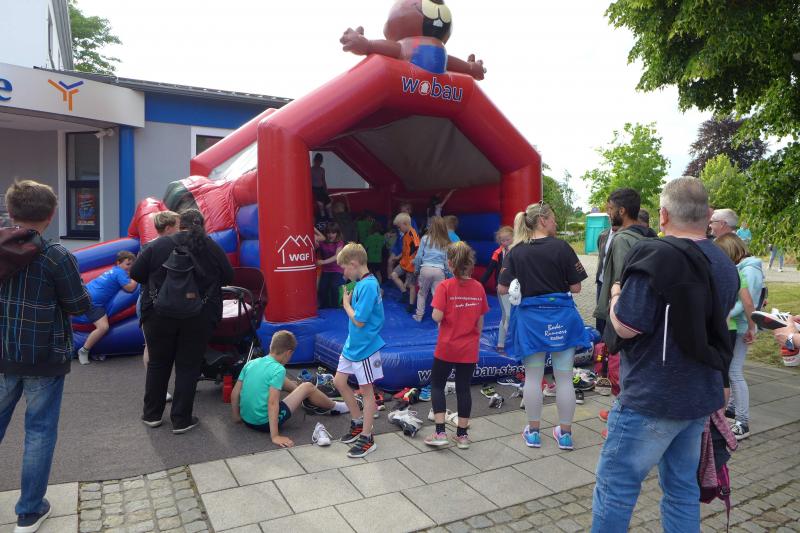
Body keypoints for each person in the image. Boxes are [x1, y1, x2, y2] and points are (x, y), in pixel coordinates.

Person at [591, 177, 739, 532]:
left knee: (616, 487)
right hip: (698, 397)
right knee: (682, 490)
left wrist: (615, 294)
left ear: (663, 215)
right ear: (706, 215)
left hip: (651, 396)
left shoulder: (658, 257)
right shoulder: (724, 263)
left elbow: (627, 326)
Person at [0, 180, 91, 533]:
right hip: (44, 356)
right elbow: (78, 305)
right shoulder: (57, 256)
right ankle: (28, 511)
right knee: (38, 432)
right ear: (52, 214)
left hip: (2, 351)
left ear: (10, 211)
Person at [131, 209, 234, 434]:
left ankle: (152, 415)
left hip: (158, 314)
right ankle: (181, 419)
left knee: (158, 363)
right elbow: (228, 276)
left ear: (180, 224)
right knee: (188, 366)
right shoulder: (210, 247)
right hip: (198, 316)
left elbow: (136, 273)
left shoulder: (159, 245)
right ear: (203, 226)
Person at [497, 202, 588, 451]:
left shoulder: (516, 251)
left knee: (533, 377)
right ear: (543, 220)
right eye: (554, 218)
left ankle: (534, 432)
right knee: (564, 378)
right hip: (562, 319)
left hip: (531, 322)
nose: (556, 223)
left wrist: (520, 285)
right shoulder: (562, 247)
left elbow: (502, 288)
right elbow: (576, 287)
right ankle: (565, 435)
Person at [231, 330, 349, 447]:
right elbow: (272, 403)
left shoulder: (251, 363)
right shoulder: (278, 370)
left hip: (246, 419)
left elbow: (235, 393)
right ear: (288, 353)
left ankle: (306, 395)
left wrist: (237, 417)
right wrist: (275, 436)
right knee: (307, 386)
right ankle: (336, 407)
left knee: (283, 381)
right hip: (263, 423)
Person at [425, 242, 489, 449]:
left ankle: (440, 432)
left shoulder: (445, 286)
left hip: (447, 345)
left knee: (437, 385)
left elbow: (437, 316)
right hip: (468, 347)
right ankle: (462, 435)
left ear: (450, 264)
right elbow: (480, 322)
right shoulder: (478, 287)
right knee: (463, 388)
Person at [333, 243, 385, 458]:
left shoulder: (369, 286)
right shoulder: (362, 283)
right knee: (339, 382)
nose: (344, 273)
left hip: (365, 347)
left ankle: (367, 437)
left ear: (354, 264)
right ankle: (357, 421)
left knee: (367, 392)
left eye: (344, 268)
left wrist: (346, 304)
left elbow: (360, 321)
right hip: (352, 345)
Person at [715, 233, 762, 440]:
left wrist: (751, 327)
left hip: (740, 326)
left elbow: (747, 303)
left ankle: (742, 422)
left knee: (733, 372)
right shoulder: (745, 269)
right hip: (741, 325)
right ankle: (733, 409)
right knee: (731, 371)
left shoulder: (747, 271)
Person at [593, 188, 652, 338]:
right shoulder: (650, 235)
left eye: (611, 209)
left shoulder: (621, 239)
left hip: (624, 316)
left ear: (621, 211)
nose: (609, 213)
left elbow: (621, 281)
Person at [139, 211, 180, 403]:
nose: (181, 229)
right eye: (178, 226)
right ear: (169, 227)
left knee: (154, 347)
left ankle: (158, 389)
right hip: (155, 302)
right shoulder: (159, 247)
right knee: (153, 348)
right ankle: (157, 390)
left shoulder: (148, 247)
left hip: (151, 300)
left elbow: (138, 274)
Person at [77, 250, 139, 364]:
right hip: (93, 303)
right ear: (118, 263)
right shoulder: (119, 272)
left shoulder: (113, 270)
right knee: (103, 327)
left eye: (132, 265)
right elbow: (130, 288)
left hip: (86, 296)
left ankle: (93, 350)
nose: (130, 267)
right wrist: (136, 277)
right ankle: (84, 350)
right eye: (127, 264)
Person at [480, 226, 513, 353]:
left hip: (517, 288)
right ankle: (500, 344)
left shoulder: (517, 251)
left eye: (507, 240)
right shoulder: (498, 253)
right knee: (507, 315)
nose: (505, 243)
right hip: (503, 288)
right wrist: (480, 284)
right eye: (502, 241)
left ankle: (517, 341)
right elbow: (489, 270)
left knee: (516, 315)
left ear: (513, 238)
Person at [412, 216, 451, 322]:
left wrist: (416, 269)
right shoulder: (445, 242)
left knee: (422, 293)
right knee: (438, 295)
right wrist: (447, 273)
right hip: (439, 270)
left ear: (431, 227)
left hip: (426, 268)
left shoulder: (425, 239)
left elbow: (419, 257)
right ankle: (439, 318)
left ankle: (419, 316)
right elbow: (446, 260)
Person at [390, 212, 420, 313]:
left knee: (411, 285)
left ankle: (411, 305)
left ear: (405, 224)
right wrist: (398, 257)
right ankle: (404, 293)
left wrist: (415, 261)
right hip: (404, 262)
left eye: (399, 227)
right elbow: (405, 250)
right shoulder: (405, 235)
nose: (399, 229)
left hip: (411, 265)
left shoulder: (412, 234)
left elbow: (417, 247)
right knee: (394, 275)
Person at [594, 223, 619, 335]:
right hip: (601, 282)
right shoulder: (603, 235)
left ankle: (611, 340)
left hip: (616, 284)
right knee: (600, 313)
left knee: (614, 314)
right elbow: (601, 255)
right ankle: (599, 338)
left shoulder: (624, 236)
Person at [315, 222, 345, 309]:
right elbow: (317, 238)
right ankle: (324, 307)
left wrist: (323, 262)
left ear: (337, 233)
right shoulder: (323, 241)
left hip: (337, 269)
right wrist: (313, 229)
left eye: (333, 233)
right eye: (328, 232)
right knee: (322, 288)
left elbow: (337, 256)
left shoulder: (339, 242)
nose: (330, 235)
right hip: (326, 270)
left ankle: (335, 306)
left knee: (334, 286)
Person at [387, 203, 418, 278]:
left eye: (404, 212)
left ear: (409, 211)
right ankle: (390, 280)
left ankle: (404, 281)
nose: (402, 214)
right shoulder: (399, 221)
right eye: (401, 212)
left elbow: (414, 239)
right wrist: (392, 234)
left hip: (406, 248)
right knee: (390, 261)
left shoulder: (412, 222)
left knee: (406, 266)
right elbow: (399, 234)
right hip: (398, 246)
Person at [311, 153, 332, 220]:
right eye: (317, 161)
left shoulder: (322, 170)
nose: (318, 163)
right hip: (314, 189)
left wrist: (326, 190)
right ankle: (323, 217)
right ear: (314, 161)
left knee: (328, 202)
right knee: (320, 203)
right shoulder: (311, 170)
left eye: (320, 162)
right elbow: (309, 181)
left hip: (321, 188)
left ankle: (331, 217)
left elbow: (323, 180)